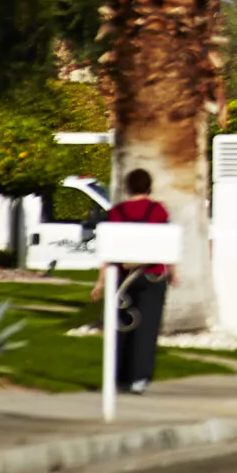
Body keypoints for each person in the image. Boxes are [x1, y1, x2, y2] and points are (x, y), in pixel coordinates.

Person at [92, 168, 170, 393]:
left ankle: (120, 376)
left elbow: (107, 250)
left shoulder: (117, 212)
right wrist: (173, 272)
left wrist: (100, 281)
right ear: (149, 187)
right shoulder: (158, 211)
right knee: (147, 328)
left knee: (121, 327)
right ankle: (140, 377)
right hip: (151, 275)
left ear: (127, 187)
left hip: (122, 276)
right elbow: (167, 244)